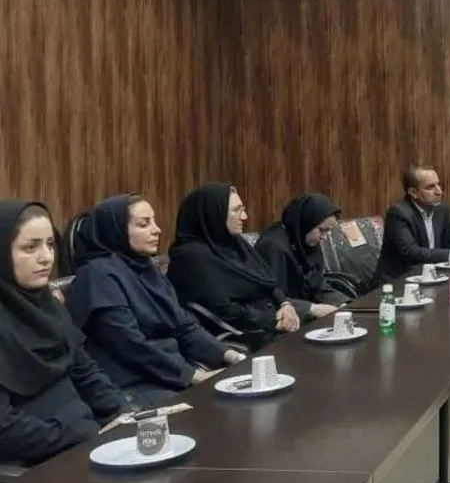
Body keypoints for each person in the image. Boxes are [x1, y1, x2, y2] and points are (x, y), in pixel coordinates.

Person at [66, 195, 246, 408]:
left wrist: (231, 356)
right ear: (116, 231)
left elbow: (184, 326)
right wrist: (193, 376)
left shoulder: (146, 268)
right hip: (133, 384)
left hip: (172, 373)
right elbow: (130, 345)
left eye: (154, 221)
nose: (157, 230)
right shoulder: (97, 276)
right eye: (144, 224)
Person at [0, 200, 126, 465]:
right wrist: (83, 436)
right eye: (30, 247)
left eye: (50, 244)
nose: (46, 257)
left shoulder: (47, 304)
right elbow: (5, 429)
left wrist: (124, 413)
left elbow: (85, 371)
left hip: (84, 441)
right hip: (36, 464)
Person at [167, 183, 302, 350]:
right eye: (236, 211)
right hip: (237, 338)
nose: (244, 217)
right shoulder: (189, 257)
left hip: (271, 326)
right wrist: (274, 320)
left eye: (243, 210)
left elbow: (267, 280)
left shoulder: (236, 243)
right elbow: (223, 310)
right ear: (213, 213)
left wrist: (285, 305)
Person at [374, 166, 450, 286]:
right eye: (430, 187)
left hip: (432, 277)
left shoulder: (443, 210)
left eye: (438, 184)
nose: (439, 191)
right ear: (413, 192)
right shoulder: (398, 213)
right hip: (399, 282)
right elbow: (411, 252)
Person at [255, 193, 348, 311]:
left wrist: (344, 303)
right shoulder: (272, 246)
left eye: (327, 231)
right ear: (307, 222)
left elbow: (316, 284)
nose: (324, 236)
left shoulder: (306, 241)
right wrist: (312, 309)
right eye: (321, 230)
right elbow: (271, 298)